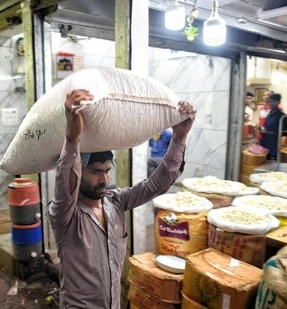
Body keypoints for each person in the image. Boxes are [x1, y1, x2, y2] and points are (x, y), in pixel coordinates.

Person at [47, 89, 196, 308]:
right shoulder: (65, 215)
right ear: (80, 172)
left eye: (107, 171)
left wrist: (180, 137)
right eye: (96, 171)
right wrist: (72, 137)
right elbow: (65, 181)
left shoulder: (115, 202)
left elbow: (158, 184)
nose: (104, 179)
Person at [258, 93, 287, 160]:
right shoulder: (269, 114)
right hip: (264, 144)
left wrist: (269, 132)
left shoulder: (282, 116)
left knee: (271, 165)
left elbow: (285, 133)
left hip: (273, 146)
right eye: (269, 101)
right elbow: (266, 127)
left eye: (271, 101)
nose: (269, 103)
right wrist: (260, 129)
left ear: (277, 102)